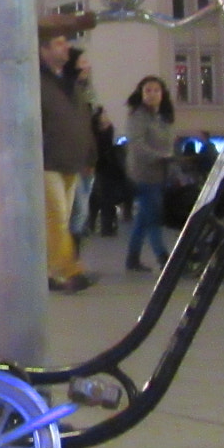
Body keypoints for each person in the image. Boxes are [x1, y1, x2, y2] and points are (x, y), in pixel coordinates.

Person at [39, 16, 97, 292]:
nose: (65, 48)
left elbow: (83, 122)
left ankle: (51, 270)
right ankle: (68, 269)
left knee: (59, 218)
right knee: (57, 218)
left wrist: (88, 156)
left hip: (70, 160)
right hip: (47, 160)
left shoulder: (71, 83)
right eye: (59, 43)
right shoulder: (38, 82)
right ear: (44, 50)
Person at [123, 77, 176, 272]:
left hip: (160, 173)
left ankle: (132, 258)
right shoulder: (138, 116)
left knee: (143, 219)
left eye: (156, 90)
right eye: (148, 90)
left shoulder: (162, 116)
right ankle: (164, 257)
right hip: (143, 174)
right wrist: (161, 156)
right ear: (141, 93)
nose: (152, 94)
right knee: (153, 217)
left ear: (163, 94)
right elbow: (137, 145)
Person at [87, 106, 128, 238]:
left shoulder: (95, 131)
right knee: (106, 198)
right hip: (106, 167)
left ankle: (93, 223)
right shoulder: (104, 132)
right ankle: (106, 227)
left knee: (97, 197)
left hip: (101, 167)